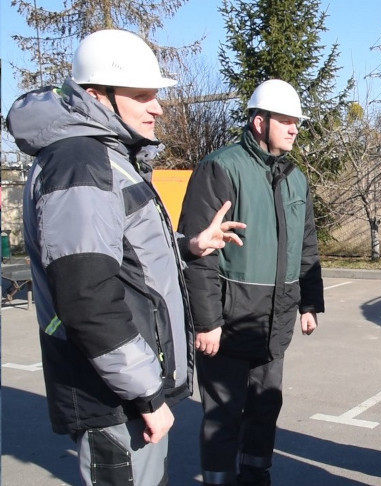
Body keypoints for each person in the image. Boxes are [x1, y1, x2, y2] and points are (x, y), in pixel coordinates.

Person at [5, 29, 244, 485]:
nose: (158, 106)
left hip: (127, 386)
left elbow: (119, 253)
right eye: (142, 95)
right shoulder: (80, 162)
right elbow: (86, 295)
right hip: (114, 392)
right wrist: (147, 395)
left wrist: (188, 245)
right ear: (97, 96)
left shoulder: (107, 157)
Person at [178, 78, 325, 486]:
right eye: (287, 120)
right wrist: (207, 321)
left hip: (273, 321)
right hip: (227, 322)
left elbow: (306, 244)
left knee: (265, 406)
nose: (295, 128)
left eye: (298, 121)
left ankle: (256, 476)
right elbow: (201, 253)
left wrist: (309, 303)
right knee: (222, 414)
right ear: (260, 122)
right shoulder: (220, 167)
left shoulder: (296, 177)